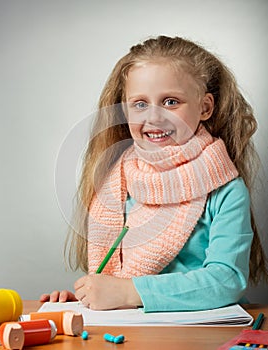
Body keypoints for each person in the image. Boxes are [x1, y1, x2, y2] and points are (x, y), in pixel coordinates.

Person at [40, 35, 267, 312]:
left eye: (171, 102)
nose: (155, 117)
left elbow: (227, 279)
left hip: (203, 330)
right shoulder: (116, 181)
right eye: (140, 104)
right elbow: (118, 280)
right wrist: (91, 296)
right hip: (132, 330)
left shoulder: (226, 189)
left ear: (205, 107)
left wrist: (128, 292)